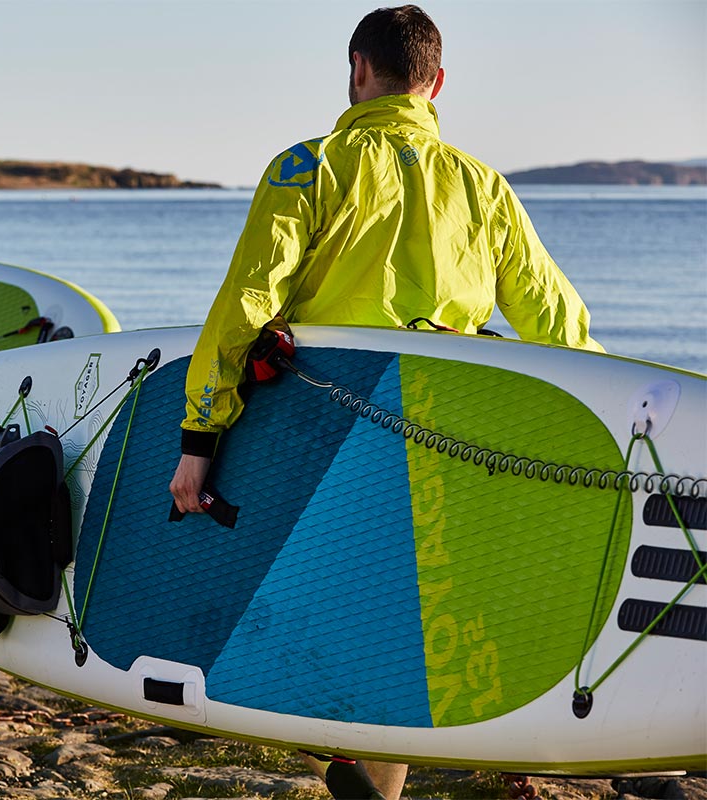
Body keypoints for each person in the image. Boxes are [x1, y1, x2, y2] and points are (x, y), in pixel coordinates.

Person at [169, 6, 601, 800]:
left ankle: (341, 762)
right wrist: (627, 433)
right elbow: (559, 326)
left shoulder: (309, 168)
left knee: (294, 619)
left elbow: (246, 307)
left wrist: (201, 434)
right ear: (436, 85)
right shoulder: (483, 187)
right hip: (446, 442)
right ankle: (373, 778)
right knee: (399, 631)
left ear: (357, 70)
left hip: (322, 438)